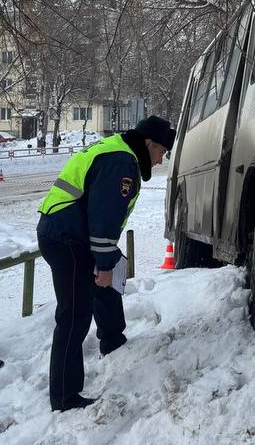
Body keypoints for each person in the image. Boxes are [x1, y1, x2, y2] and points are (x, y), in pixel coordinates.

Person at [35, 115, 175, 412]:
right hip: (67, 238)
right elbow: (103, 219)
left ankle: (113, 340)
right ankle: (64, 396)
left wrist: (108, 262)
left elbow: (102, 223)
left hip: (69, 232)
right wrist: (104, 263)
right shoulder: (122, 162)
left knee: (114, 270)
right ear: (148, 143)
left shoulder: (119, 150)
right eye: (161, 152)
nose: (161, 160)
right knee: (74, 315)